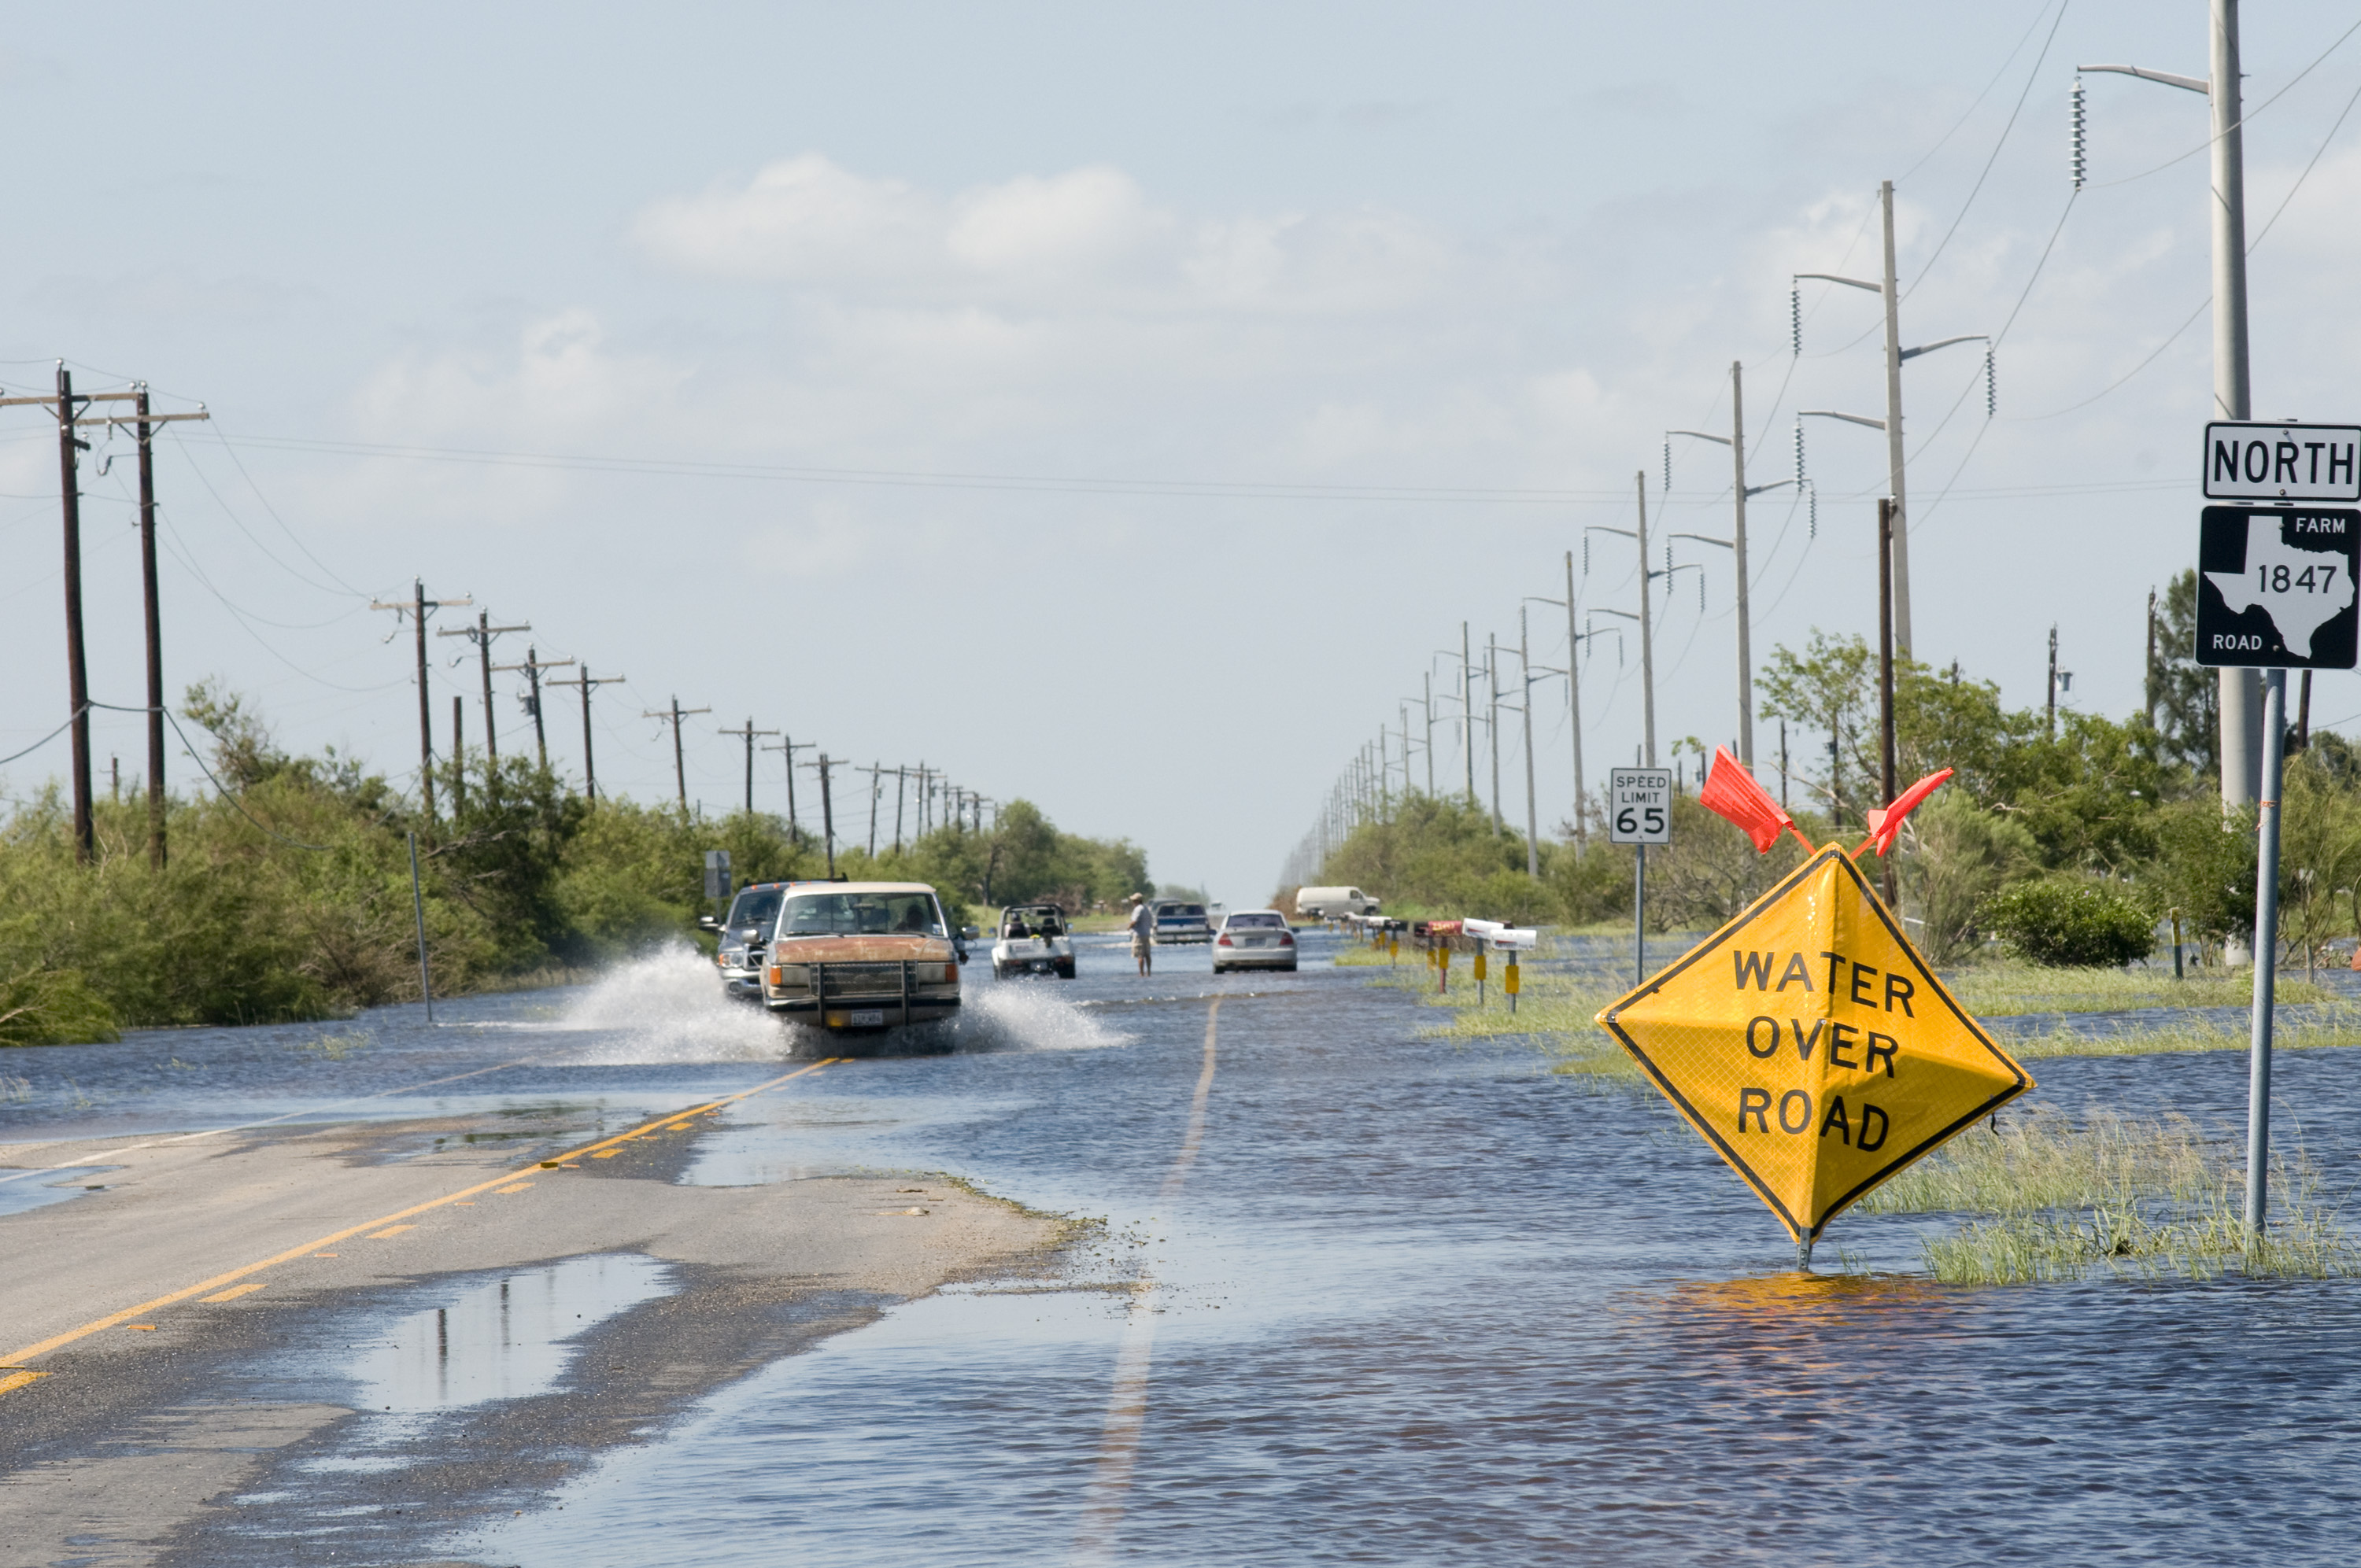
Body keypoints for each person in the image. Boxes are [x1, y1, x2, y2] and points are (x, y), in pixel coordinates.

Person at [1123, 892, 1155, 976]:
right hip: (1147, 933)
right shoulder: (1146, 908)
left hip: (1139, 935)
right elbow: (1150, 922)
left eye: (1134, 901)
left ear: (1137, 901)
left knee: (1140, 955)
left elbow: (1134, 921)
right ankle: (1149, 972)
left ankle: (1141, 973)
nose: (1133, 902)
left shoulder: (1138, 909)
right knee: (1147, 954)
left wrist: (1129, 927)